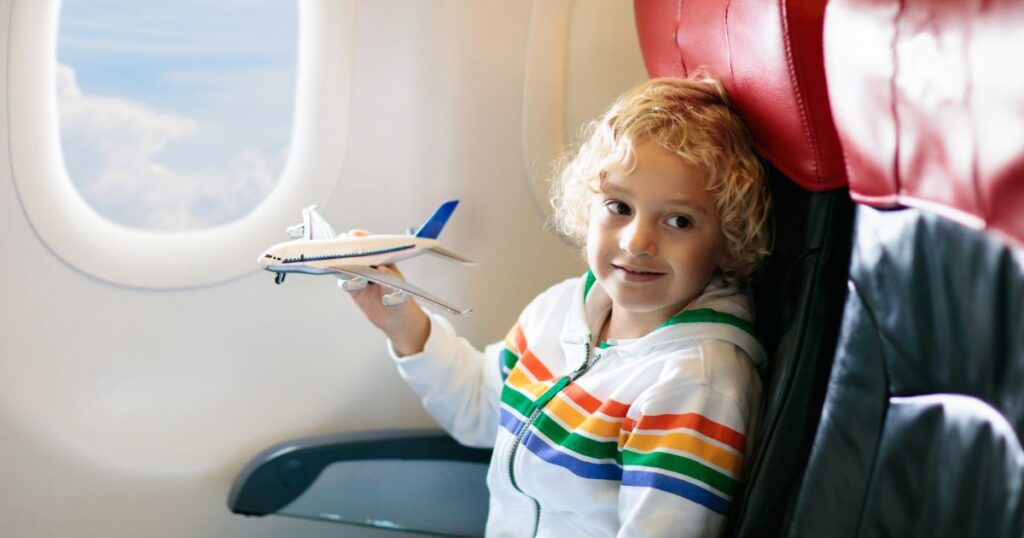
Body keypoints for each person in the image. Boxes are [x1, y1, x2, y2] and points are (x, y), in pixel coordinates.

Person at [347, 73, 771, 537]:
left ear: (728, 238)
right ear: (589, 207)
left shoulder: (695, 383)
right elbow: (480, 410)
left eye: (679, 221)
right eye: (619, 207)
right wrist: (401, 322)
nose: (637, 242)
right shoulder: (560, 310)